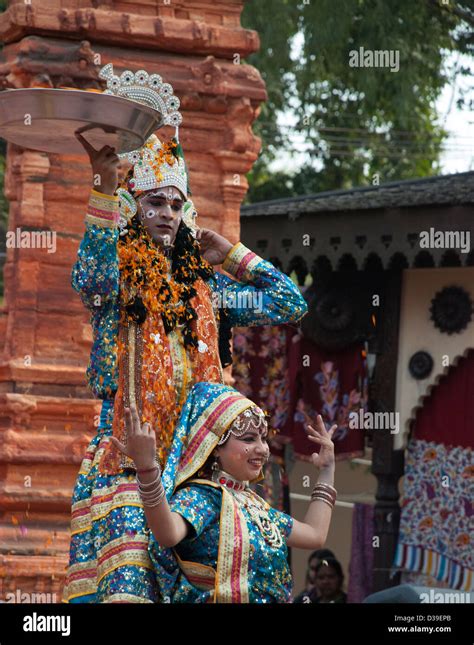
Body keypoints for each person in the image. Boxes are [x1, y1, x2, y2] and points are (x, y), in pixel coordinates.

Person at [63, 65, 308, 603]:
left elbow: (290, 303)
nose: (167, 214)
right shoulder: (124, 282)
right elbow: (92, 279)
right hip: (131, 464)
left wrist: (237, 258)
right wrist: (104, 188)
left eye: (176, 204)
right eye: (155, 202)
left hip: (199, 474)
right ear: (134, 207)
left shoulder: (209, 294)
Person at [111, 381, 337, 603]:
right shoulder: (204, 497)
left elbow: (314, 535)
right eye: (249, 439)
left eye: (263, 439)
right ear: (216, 446)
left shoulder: (255, 506)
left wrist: (327, 470)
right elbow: (166, 533)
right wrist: (147, 469)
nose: (262, 449)